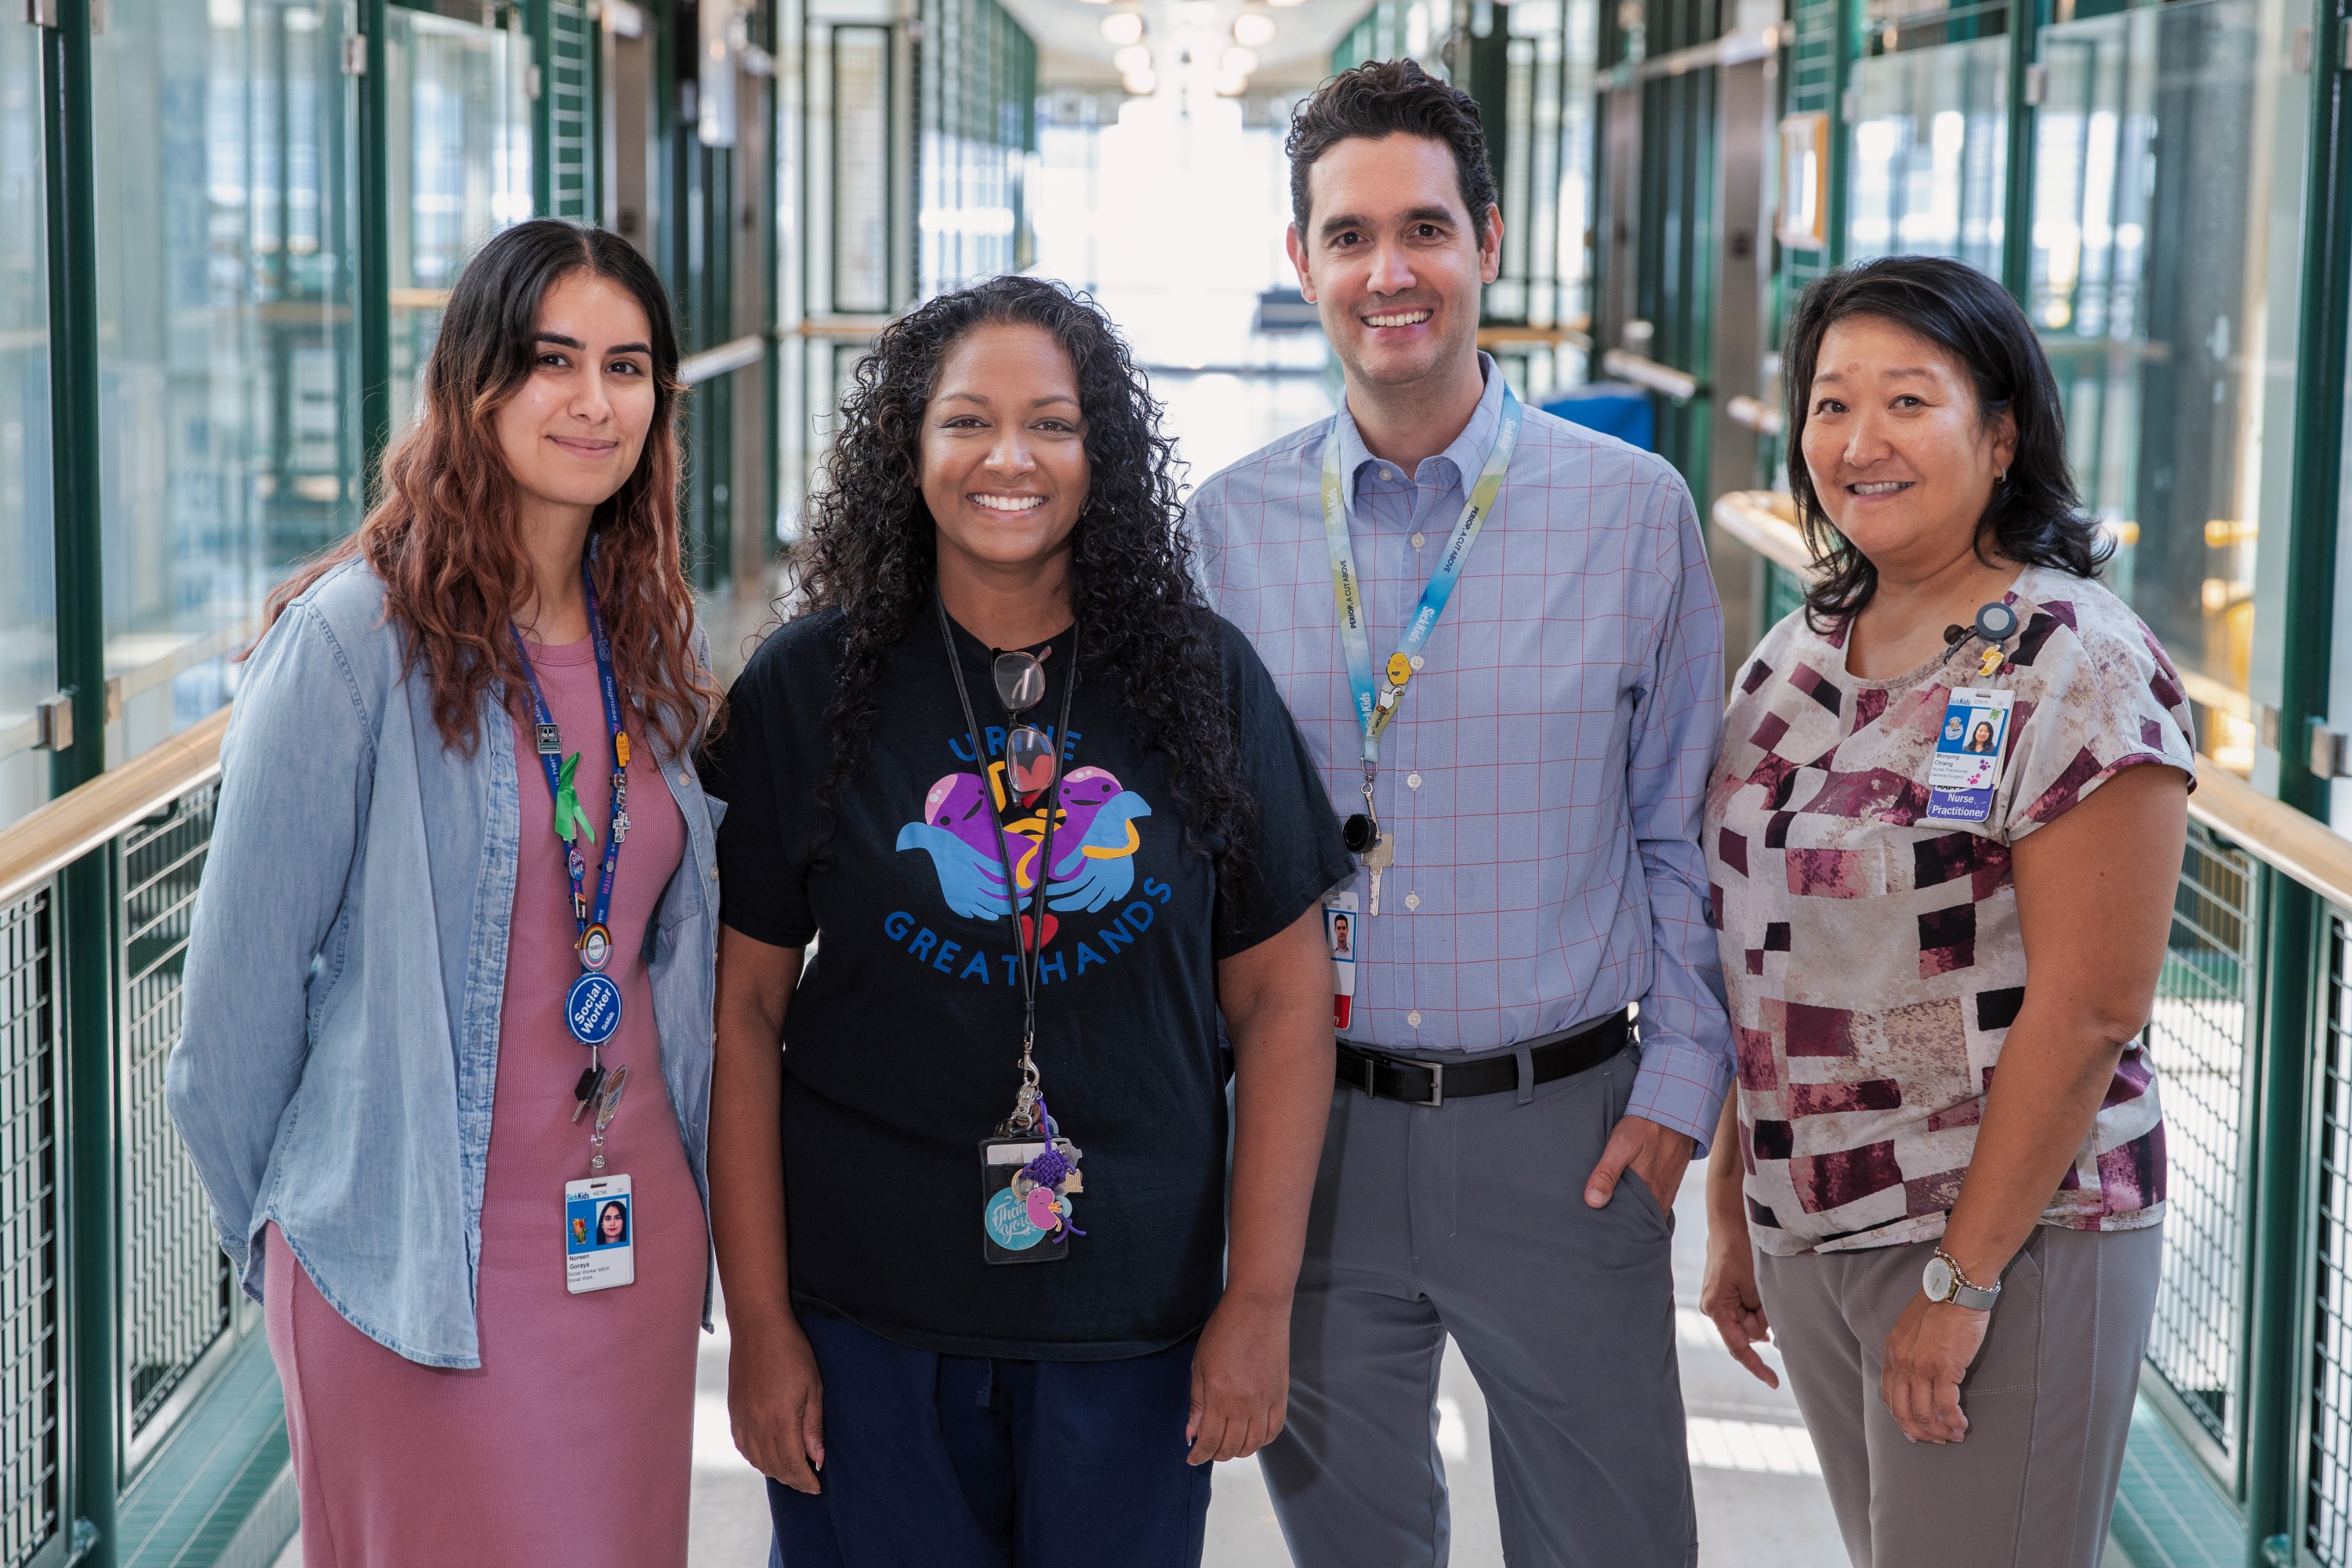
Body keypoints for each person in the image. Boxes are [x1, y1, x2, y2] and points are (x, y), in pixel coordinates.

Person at [702, 274, 1351, 1567]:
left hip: (1133, 1320)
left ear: (1099, 451)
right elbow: (741, 1011)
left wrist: (1258, 1301)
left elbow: (1283, 1005)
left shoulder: (1200, 676)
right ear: (910, 447)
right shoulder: (808, 687)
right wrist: (764, 1321)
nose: (1011, 458)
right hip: (868, 1320)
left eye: (1052, 423)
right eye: (967, 422)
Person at [1189, 60, 1731, 1567]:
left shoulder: (1634, 513)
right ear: (1300, 261)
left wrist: (1680, 1088)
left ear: (1489, 235)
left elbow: (1680, 832)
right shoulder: (1224, 531)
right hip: (1309, 1133)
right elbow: (1199, 860)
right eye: (1349, 235)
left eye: (1424, 226)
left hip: (1564, 1134)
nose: (1390, 272)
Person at [167, 219, 724, 1567]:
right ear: (473, 383)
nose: (595, 401)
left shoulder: (648, 644)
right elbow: (226, 1038)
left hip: (626, 1264)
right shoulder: (352, 645)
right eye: (552, 360)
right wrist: (321, 1250)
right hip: (409, 1282)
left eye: (630, 366)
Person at [1697, 255, 2193, 1568]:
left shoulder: (2076, 660)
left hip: (2004, 1233)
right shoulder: (1808, 642)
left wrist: (1961, 1284)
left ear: (2002, 431)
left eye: (1909, 401)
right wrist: (1736, 1198)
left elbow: (2093, 1012)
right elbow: (1763, 941)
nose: (1858, 442)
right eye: (1829, 403)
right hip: (1820, 1217)